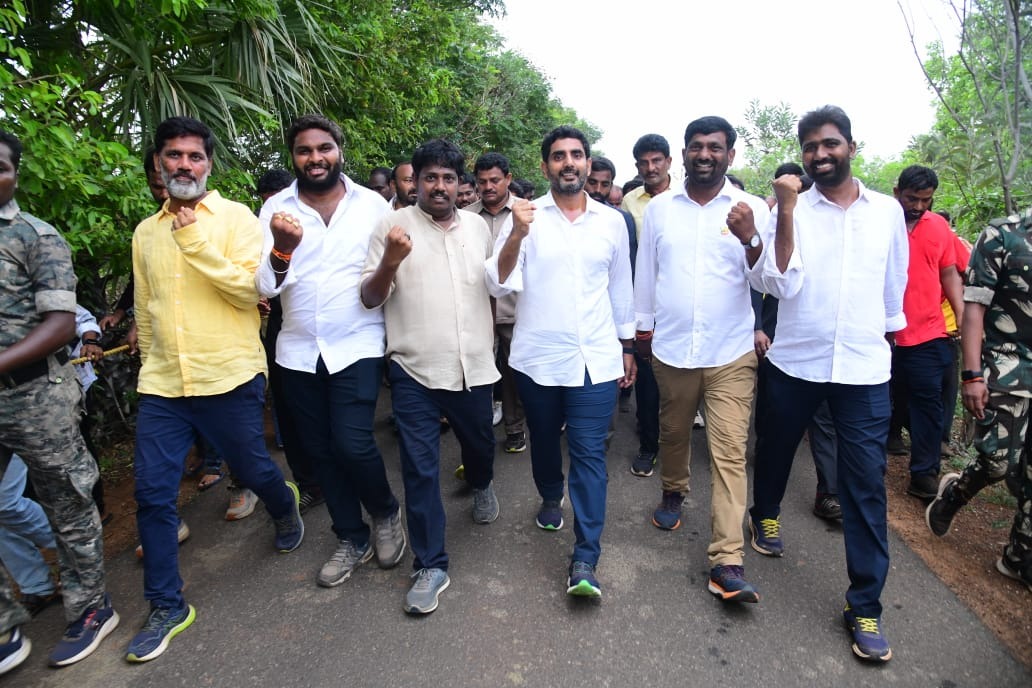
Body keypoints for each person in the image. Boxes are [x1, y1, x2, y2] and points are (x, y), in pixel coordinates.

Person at [129, 116, 304, 662]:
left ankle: (284, 503)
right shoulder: (145, 232)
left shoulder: (237, 220)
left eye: (194, 156)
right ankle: (166, 604)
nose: (183, 165)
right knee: (152, 494)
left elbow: (249, 292)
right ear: (159, 162)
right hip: (163, 384)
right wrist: (150, 366)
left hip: (228, 375)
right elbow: (145, 307)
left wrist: (192, 240)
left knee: (252, 469)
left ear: (208, 164)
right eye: (173, 155)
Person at [747, 106, 908, 662]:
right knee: (775, 449)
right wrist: (787, 212)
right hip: (796, 361)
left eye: (830, 143)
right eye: (811, 146)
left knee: (864, 486)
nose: (820, 154)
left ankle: (865, 604)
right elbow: (777, 284)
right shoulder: (787, 209)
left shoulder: (887, 212)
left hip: (863, 371)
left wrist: (886, 340)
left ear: (851, 147)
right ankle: (765, 512)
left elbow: (894, 286)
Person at [257, 114, 405, 590]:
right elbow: (264, 286)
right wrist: (282, 249)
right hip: (297, 349)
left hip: (357, 342)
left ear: (340, 151)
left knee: (352, 442)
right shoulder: (276, 209)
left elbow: (388, 274)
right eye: (304, 150)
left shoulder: (372, 206)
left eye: (324, 148)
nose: (315, 158)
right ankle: (351, 537)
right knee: (320, 451)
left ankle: (385, 512)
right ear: (293, 157)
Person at [487, 125, 635, 598]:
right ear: (545, 165)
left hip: (595, 359)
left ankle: (585, 557)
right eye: (558, 155)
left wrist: (627, 346)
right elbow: (497, 282)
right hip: (538, 359)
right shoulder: (525, 217)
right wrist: (517, 232)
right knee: (545, 438)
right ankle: (551, 494)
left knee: (590, 454)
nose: (568, 162)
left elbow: (621, 288)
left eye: (576, 154)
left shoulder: (612, 221)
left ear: (588, 163)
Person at [361, 138, 500, 615]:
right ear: (415, 182)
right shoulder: (391, 227)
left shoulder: (478, 227)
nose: (439, 186)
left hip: (473, 366)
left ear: (460, 184)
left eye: (448, 178)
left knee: (480, 446)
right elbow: (370, 298)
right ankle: (430, 565)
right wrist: (391, 260)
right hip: (412, 369)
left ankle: (481, 482)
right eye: (430, 178)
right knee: (419, 469)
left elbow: (493, 290)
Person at [635, 116, 770, 603]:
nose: (705, 154)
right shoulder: (661, 209)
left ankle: (727, 560)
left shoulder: (751, 209)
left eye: (715, 147)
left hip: (730, 351)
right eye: (697, 146)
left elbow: (768, 281)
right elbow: (647, 271)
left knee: (729, 450)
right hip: (673, 348)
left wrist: (751, 238)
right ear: (685, 153)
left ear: (730, 155)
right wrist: (641, 329)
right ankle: (674, 489)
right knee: (673, 433)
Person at [0, 129, 118, 673]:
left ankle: (91, 608)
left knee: (67, 503)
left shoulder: (34, 237)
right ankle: (6, 627)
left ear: (15, 174)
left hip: (35, 395)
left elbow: (61, 325)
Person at [925, 206, 1032, 591]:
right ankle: (955, 494)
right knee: (998, 462)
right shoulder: (1004, 235)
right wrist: (971, 374)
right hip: (1007, 364)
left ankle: (1020, 557)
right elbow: (974, 305)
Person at [752, 164, 841, 521]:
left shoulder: (848, 224)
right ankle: (765, 511)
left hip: (827, 350)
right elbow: (759, 281)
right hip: (780, 342)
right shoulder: (777, 217)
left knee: (825, 423)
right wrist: (758, 327)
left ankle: (829, 492)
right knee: (774, 428)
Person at [889, 165, 964, 500]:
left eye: (925, 200)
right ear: (897, 192)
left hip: (928, 331)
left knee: (928, 404)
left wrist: (961, 315)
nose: (918, 206)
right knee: (879, 402)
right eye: (911, 199)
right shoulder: (880, 221)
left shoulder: (938, 226)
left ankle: (924, 474)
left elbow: (949, 271)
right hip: (883, 332)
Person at [466, 152, 526, 454]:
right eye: (482, 181)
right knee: (477, 374)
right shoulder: (465, 216)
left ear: (508, 179)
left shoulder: (525, 213)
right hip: (476, 311)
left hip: (515, 310)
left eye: (495, 180)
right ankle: (477, 434)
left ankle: (515, 429)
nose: (488, 186)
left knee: (514, 375)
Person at [622, 135, 675, 477]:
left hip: (680, 304)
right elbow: (629, 256)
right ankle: (648, 446)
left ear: (669, 161)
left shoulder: (686, 196)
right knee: (647, 383)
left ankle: (677, 449)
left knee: (682, 382)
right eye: (644, 162)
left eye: (657, 161)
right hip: (645, 304)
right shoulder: (630, 202)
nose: (651, 168)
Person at [587, 157, 638, 414]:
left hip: (608, 316)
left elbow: (626, 274)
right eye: (592, 182)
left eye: (604, 184)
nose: (597, 190)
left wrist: (627, 342)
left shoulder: (620, 220)